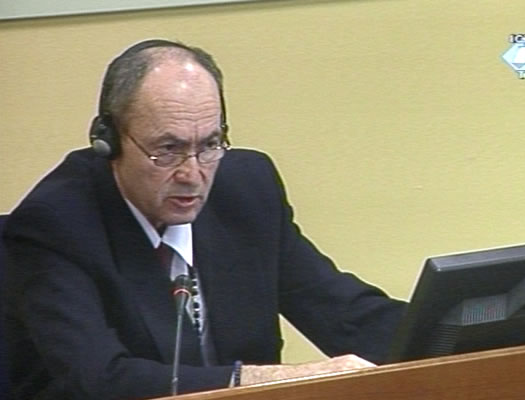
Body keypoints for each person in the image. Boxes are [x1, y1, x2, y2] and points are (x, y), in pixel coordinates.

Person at [2, 39, 406, 400]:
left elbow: (345, 315)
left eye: (210, 145)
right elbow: (102, 379)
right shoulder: (53, 225)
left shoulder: (246, 190)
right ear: (108, 141)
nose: (192, 174)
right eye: (168, 148)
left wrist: (456, 331)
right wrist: (282, 380)